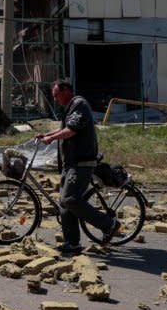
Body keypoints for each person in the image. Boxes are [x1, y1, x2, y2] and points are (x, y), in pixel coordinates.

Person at [35, 79, 122, 253]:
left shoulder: (79, 104)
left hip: (81, 163)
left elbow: (71, 130)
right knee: (64, 204)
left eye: (56, 95)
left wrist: (51, 139)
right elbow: (65, 128)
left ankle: (109, 225)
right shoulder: (69, 108)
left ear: (66, 90)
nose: (55, 99)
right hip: (71, 163)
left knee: (70, 199)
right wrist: (47, 134)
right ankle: (72, 243)